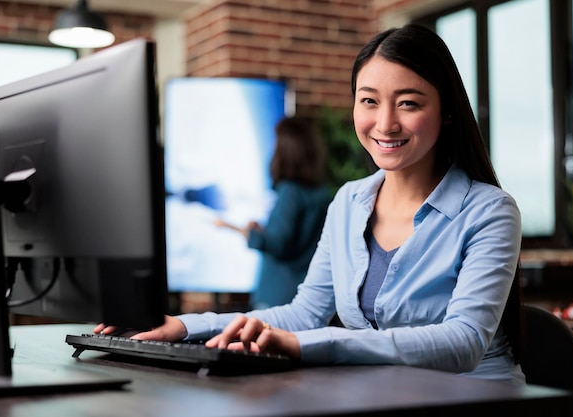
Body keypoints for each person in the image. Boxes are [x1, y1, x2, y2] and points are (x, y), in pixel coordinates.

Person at [95, 23, 525, 385]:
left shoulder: (489, 211)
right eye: (369, 100)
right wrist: (185, 327)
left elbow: (463, 342)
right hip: (383, 396)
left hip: (474, 398)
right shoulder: (349, 201)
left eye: (408, 103)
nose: (385, 122)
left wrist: (306, 346)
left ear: (446, 111)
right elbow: (305, 313)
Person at [214, 116, 332, 309]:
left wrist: (249, 233)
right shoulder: (321, 193)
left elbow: (278, 244)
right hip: (304, 296)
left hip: (277, 298)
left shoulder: (290, 191)